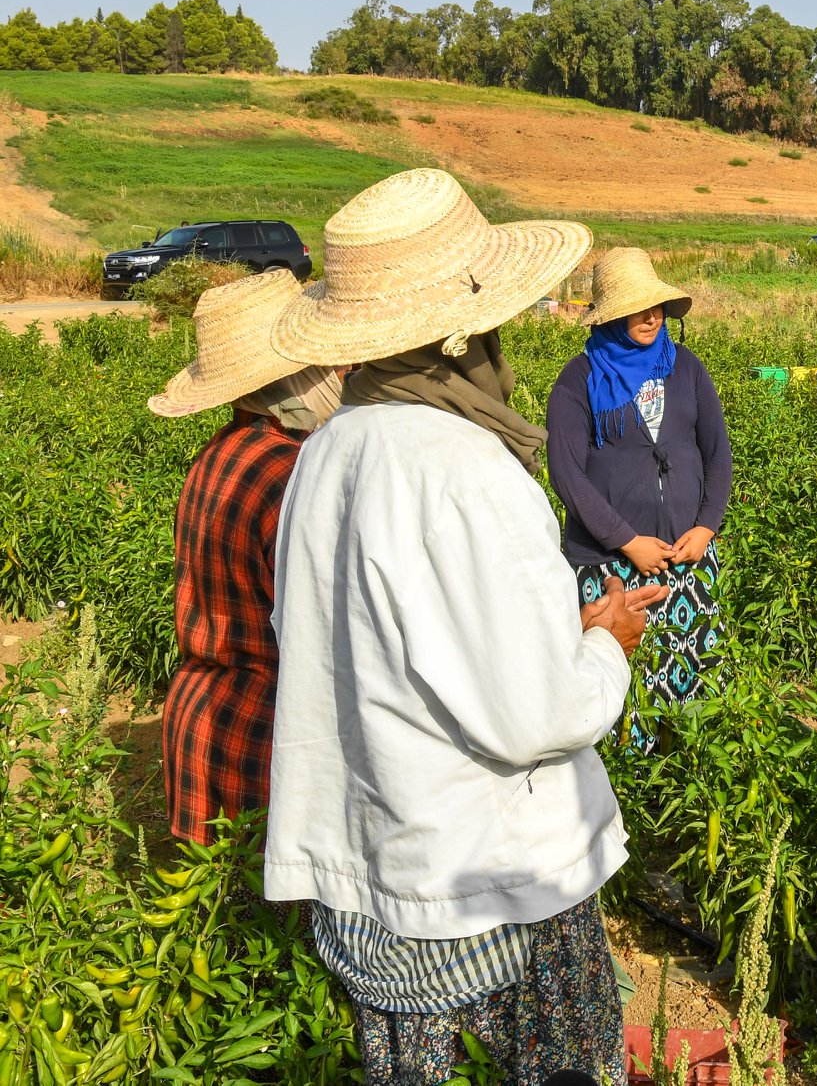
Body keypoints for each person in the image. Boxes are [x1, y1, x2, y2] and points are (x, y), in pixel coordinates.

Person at [263, 168, 662, 1086]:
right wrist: (604, 643)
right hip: (482, 885)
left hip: (375, 866)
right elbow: (537, 709)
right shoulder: (467, 468)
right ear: (461, 334)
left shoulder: (326, 453)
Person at [150, 269, 342, 844]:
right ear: (293, 378)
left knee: (218, 926)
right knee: (268, 930)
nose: (343, 372)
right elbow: (329, 638)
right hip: (262, 740)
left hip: (202, 721)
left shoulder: (224, 450)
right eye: (328, 362)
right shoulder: (293, 475)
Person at [546, 248, 731, 755]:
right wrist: (627, 541)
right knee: (622, 684)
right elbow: (566, 473)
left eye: (656, 306)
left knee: (691, 674)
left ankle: (685, 771)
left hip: (687, 558)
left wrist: (707, 526)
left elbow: (717, 454)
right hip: (612, 564)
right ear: (610, 315)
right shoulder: (578, 380)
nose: (651, 317)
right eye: (637, 307)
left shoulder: (685, 368)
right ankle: (629, 795)